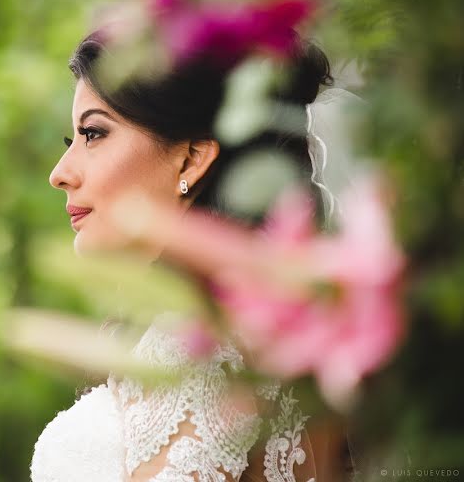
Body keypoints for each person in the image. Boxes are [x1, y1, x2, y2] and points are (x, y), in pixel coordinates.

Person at [30, 28, 354, 481]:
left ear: (191, 160)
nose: (59, 174)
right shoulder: (257, 327)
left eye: (93, 133)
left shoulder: (195, 343)